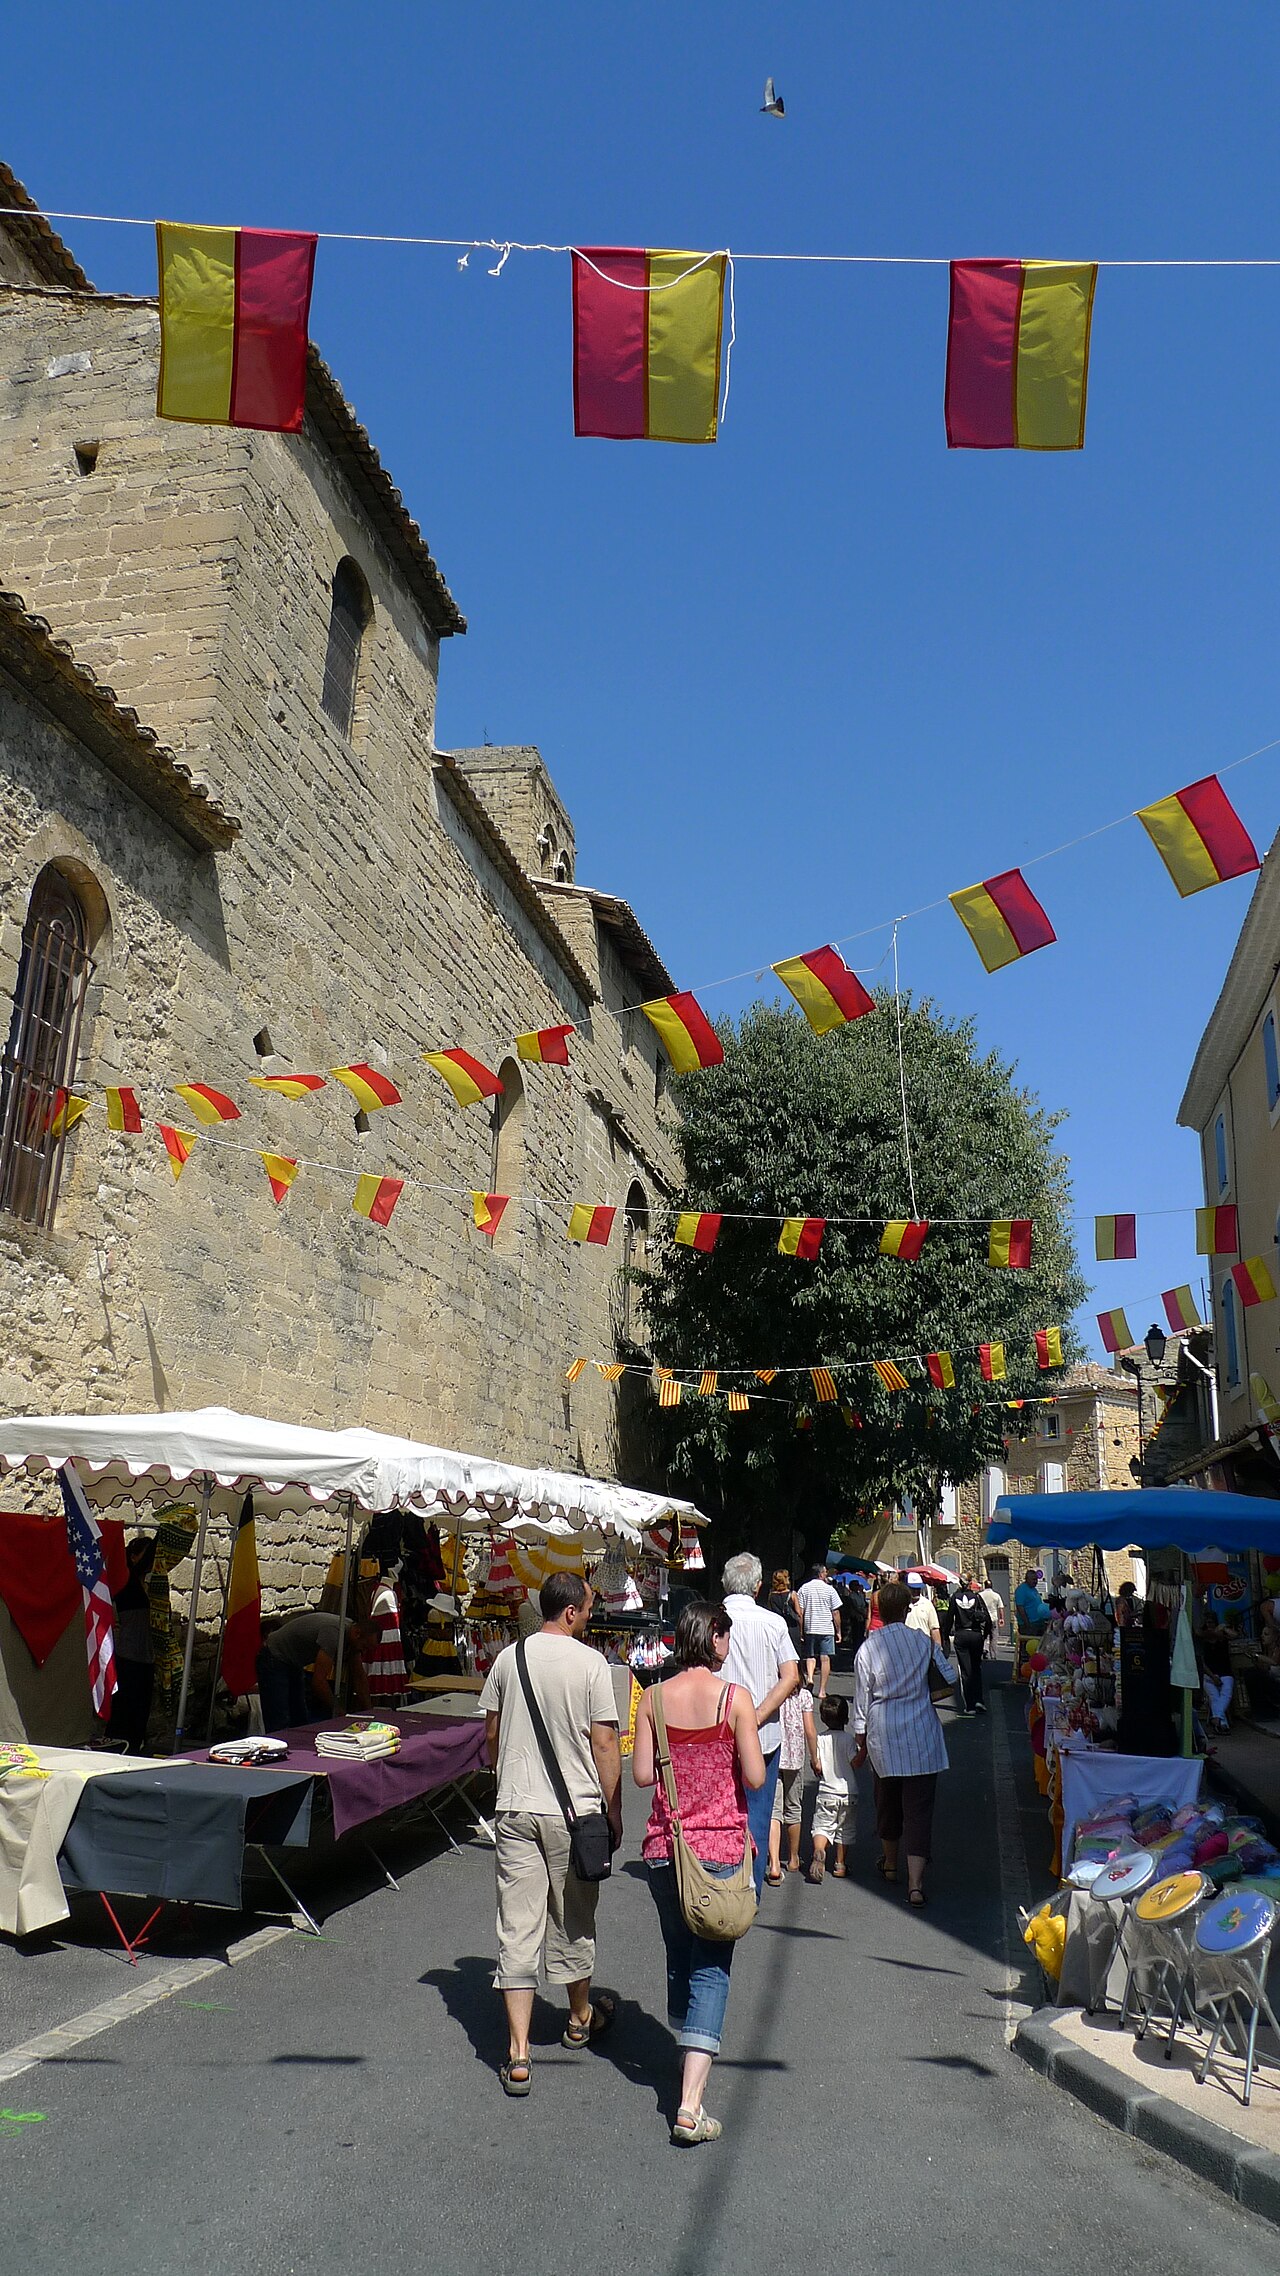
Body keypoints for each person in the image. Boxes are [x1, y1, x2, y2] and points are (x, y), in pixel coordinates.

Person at [478, 1571, 622, 2097]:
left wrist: (503, 1778)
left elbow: (490, 1733)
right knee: (573, 1918)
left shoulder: (507, 1659)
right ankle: (579, 2017)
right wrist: (614, 1810)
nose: (590, 1616)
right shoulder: (591, 1665)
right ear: (570, 1613)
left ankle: (518, 2053)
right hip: (573, 1813)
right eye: (587, 1609)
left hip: (515, 1806)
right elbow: (605, 1744)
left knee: (517, 1926)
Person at [632, 1603, 766, 2146]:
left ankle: (689, 2038)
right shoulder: (735, 1700)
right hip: (719, 1849)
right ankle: (690, 2104)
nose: (728, 1644)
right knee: (713, 1964)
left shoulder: (654, 1699)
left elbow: (643, 1774)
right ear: (712, 1638)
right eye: (726, 1635)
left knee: (680, 1950)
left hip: (666, 1847)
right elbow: (756, 1777)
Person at [851, 1579, 956, 1907]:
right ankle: (915, 1883)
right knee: (920, 1808)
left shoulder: (869, 1647)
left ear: (879, 1609)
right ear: (908, 1607)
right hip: (920, 1730)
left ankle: (891, 1863)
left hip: (884, 1731)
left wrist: (860, 1736)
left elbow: (861, 1700)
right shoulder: (923, 1643)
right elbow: (950, 1678)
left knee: (886, 1800)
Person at [719, 1552, 800, 1896]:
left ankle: (720, 1876)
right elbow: (790, 1676)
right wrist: (758, 1715)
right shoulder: (773, 1622)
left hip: (718, 1731)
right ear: (757, 1586)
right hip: (764, 1732)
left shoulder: (710, 1621)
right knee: (759, 1810)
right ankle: (749, 1888)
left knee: (721, 1806)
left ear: (725, 1584)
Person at [256, 1611, 377, 1731]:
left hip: (293, 1662)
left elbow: (359, 1677)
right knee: (280, 1720)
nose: (363, 1652)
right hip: (274, 1656)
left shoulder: (353, 1637)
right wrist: (339, 1711)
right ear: (357, 1634)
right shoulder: (335, 1634)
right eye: (364, 1647)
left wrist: (371, 1715)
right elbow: (318, 1682)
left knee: (299, 1720)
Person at [765, 1668, 817, 1883]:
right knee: (794, 1807)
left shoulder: (771, 1692)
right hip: (795, 1759)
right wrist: (815, 1758)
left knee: (774, 1810)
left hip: (773, 1752)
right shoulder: (804, 1695)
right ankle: (794, 1858)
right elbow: (810, 1730)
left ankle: (774, 1862)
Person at [108, 1535, 157, 1753]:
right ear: (134, 1556)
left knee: (140, 1711)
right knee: (126, 1710)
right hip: (129, 1655)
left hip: (145, 1655)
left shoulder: (146, 1583)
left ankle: (134, 1748)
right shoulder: (126, 1580)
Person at [809, 1694, 857, 1883]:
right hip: (848, 1792)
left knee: (822, 1826)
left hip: (827, 1792)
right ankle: (840, 1865)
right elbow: (856, 1762)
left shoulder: (820, 1739)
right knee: (845, 1830)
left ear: (822, 1718)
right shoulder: (848, 1740)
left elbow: (817, 1765)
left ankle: (820, 1851)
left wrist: (815, 1765)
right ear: (846, 1718)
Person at [795, 1562, 843, 1697]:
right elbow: (836, 1612)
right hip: (826, 1628)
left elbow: (801, 1612)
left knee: (810, 1655)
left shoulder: (804, 1588)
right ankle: (822, 1690)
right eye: (825, 1572)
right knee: (825, 1658)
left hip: (810, 1626)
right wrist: (838, 1630)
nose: (827, 1574)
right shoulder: (830, 1590)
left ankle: (810, 1677)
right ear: (821, 1574)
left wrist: (801, 1630)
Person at [948, 1576, 993, 1714]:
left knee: (965, 1671)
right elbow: (988, 1619)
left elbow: (950, 1618)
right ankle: (979, 1699)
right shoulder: (977, 1597)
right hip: (975, 1634)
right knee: (976, 1668)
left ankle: (970, 1705)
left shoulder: (954, 1597)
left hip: (961, 1634)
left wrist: (945, 1636)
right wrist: (984, 1635)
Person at [1200, 1623, 1234, 1732]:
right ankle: (1222, 1723)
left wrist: (1223, 1628)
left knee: (1226, 1692)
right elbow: (1202, 1664)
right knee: (1214, 1695)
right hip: (1209, 1675)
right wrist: (1212, 1676)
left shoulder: (1223, 1640)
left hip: (1225, 1674)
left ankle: (1218, 1719)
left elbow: (1235, 1635)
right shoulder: (1202, 1644)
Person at [767, 1569, 803, 1656]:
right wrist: (801, 1631)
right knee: (795, 1654)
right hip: (792, 1628)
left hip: (778, 1627)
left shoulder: (771, 1595)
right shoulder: (792, 1594)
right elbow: (799, 1614)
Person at [1014, 1570, 1051, 1642]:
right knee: (1028, 1646)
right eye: (1033, 1579)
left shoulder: (1034, 1589)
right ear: (1027, 1579)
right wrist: (1027, 1624)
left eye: (1036, 1579)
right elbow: (1020, 1607)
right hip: (1029, 1624)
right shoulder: (1021, 1590)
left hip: (1038, 1622)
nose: (1035, 1581)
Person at [905, 1574, 942, 1647]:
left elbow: (934, 1629)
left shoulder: (927, 1604)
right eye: (913, 1589)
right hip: (906, 1646)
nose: (916, 1591)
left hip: (924, 1647)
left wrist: (938, 1649)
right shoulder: (902, 1604)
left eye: (918, 1588)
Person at [979, 1579, 1005, 1655]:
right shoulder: (996, 1595)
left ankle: (984, 1649)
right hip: (993, 1618)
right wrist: (1001, 1618)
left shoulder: (980, 1595)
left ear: (985, 1585)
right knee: (993, 1637)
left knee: (984, 1635)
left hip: (984, 1618)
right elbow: (1000, 1608)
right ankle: (993, 1654)